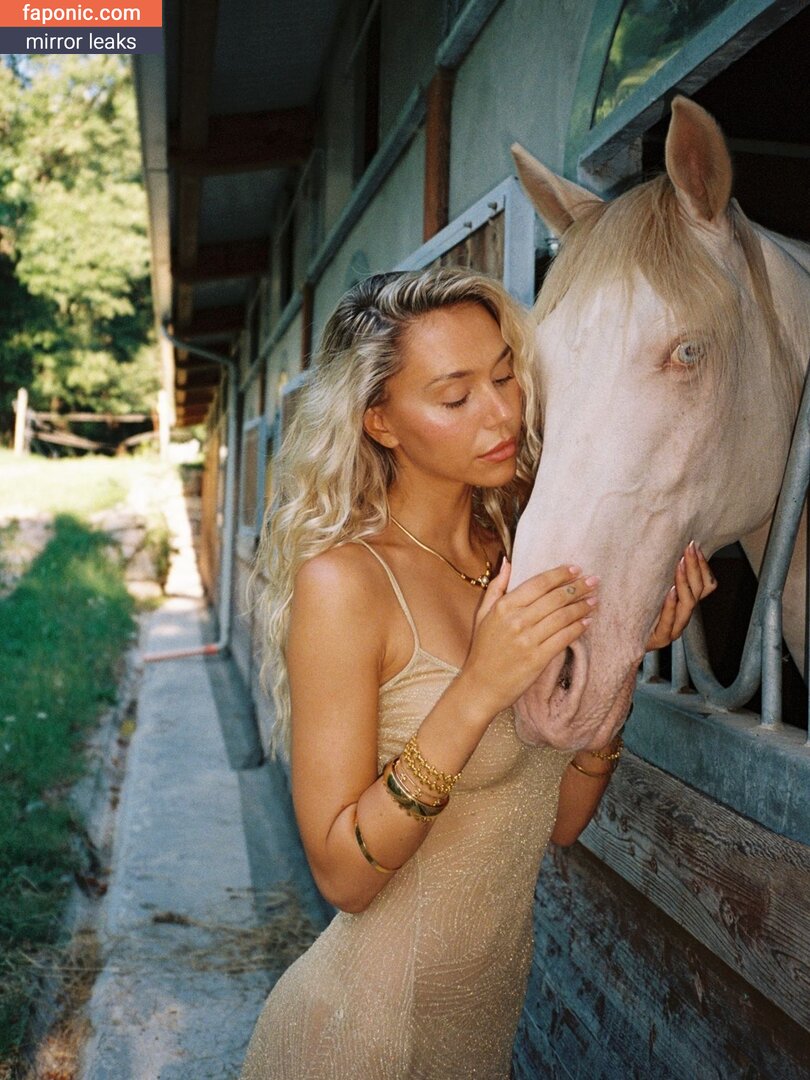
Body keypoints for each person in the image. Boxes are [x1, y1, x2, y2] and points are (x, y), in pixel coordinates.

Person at [240, 266, 715, 1079]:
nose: (501, 413)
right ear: (381, 421)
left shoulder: (520, 559)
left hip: (477, 1043)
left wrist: (626, 656)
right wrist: (477, 690)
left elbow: (557, 820)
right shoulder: (347, 583)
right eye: (456, 397)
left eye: (504, 377)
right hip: (358, 1043)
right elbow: (343, 877)